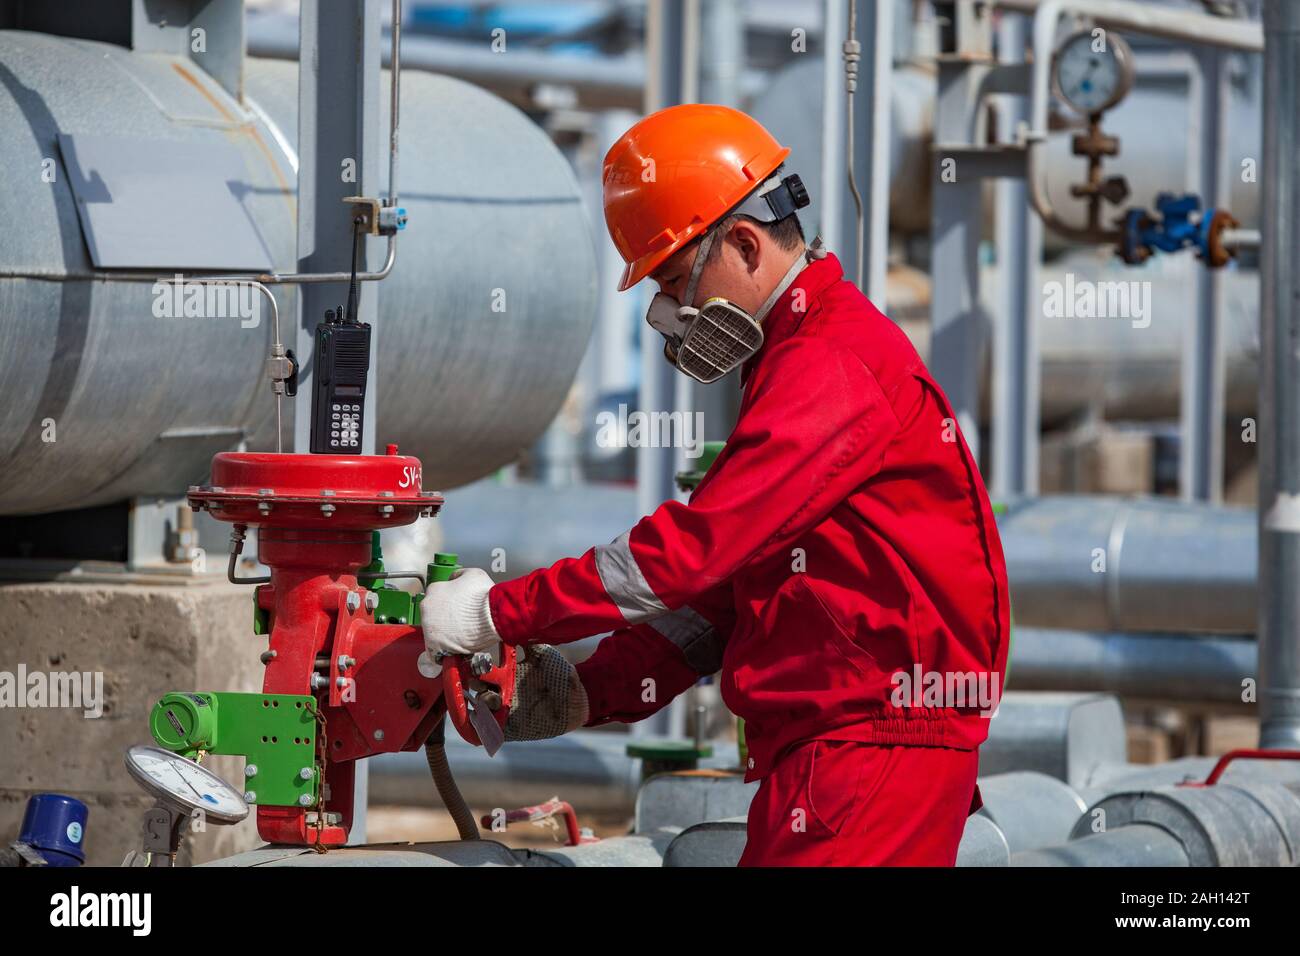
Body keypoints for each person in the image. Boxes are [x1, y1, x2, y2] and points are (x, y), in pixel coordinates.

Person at [421, 104, 1010, 866]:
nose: (671, 313)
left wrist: (496, 612)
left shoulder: (827, 365)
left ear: (742, 242)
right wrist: (591, 689)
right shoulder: (806, 355)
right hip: (855, 751)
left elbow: (686, 556)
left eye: (672, 278)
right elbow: (725, 599)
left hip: (864, 752)